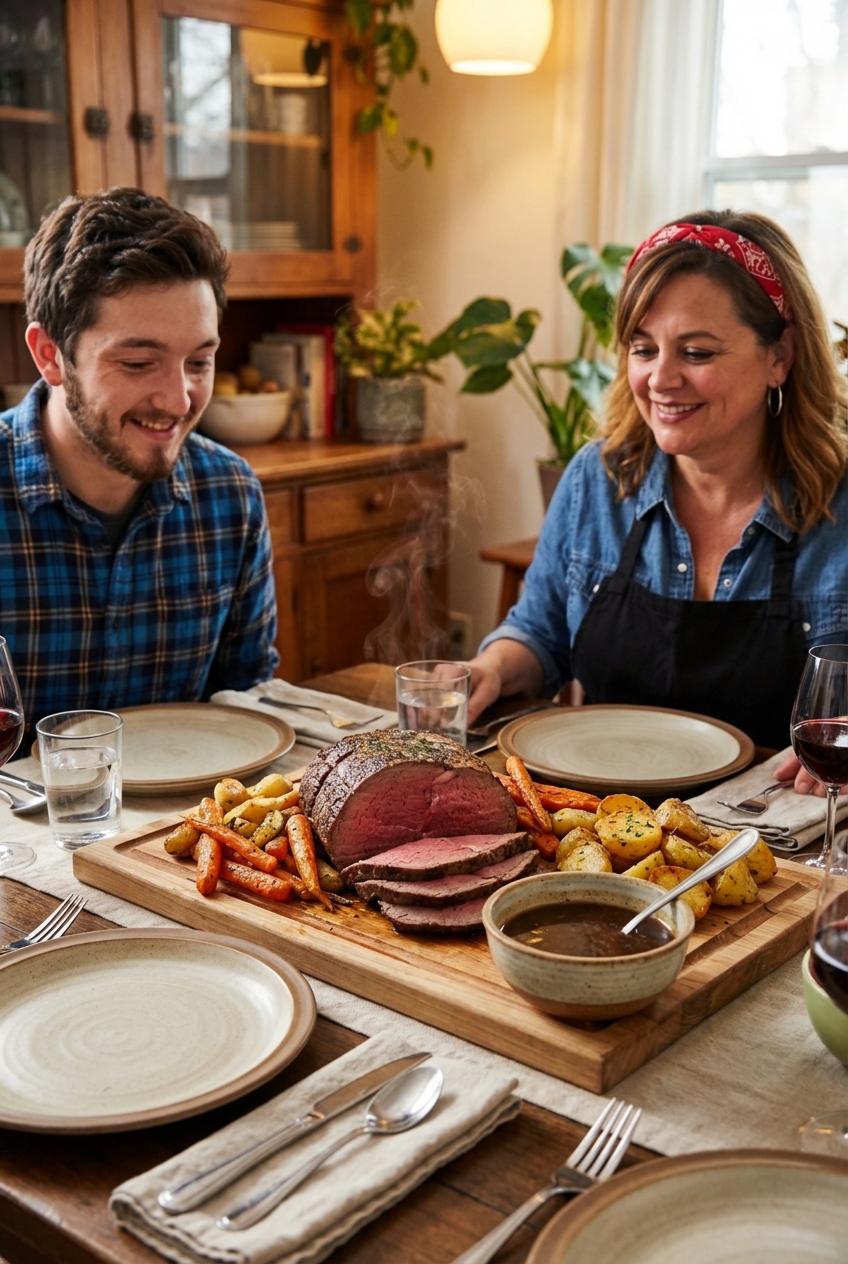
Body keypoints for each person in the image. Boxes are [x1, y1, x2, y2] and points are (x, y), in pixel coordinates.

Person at [468, 210, 847, 792]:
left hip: (779, 844)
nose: (660, 379)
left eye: (696, 353)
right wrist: (489, 669)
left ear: (781, 356)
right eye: (643, 349)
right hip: (598, 824)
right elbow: (541, 633)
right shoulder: (595, 480)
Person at [0, 188, 279, 739]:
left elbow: (251, 709)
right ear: (50, 355)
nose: (178, 401)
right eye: (137, 362)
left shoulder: (231, 494)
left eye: (199, 361)